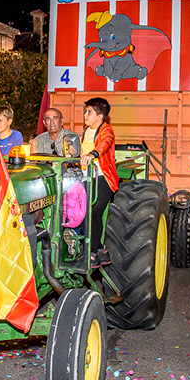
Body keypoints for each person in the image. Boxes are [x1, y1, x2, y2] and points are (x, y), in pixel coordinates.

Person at [79, 97, 119, 267]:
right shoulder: (85, 131)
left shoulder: (106, 130)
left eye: (89, 112)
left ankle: (92, 252)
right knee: (78, 213)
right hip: (86, 177)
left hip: (103, 178)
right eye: (85, 111)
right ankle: (101, 251)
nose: (85, 115)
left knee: (93, 211)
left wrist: (93, 154)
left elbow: (105, 143)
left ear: (100, 116)